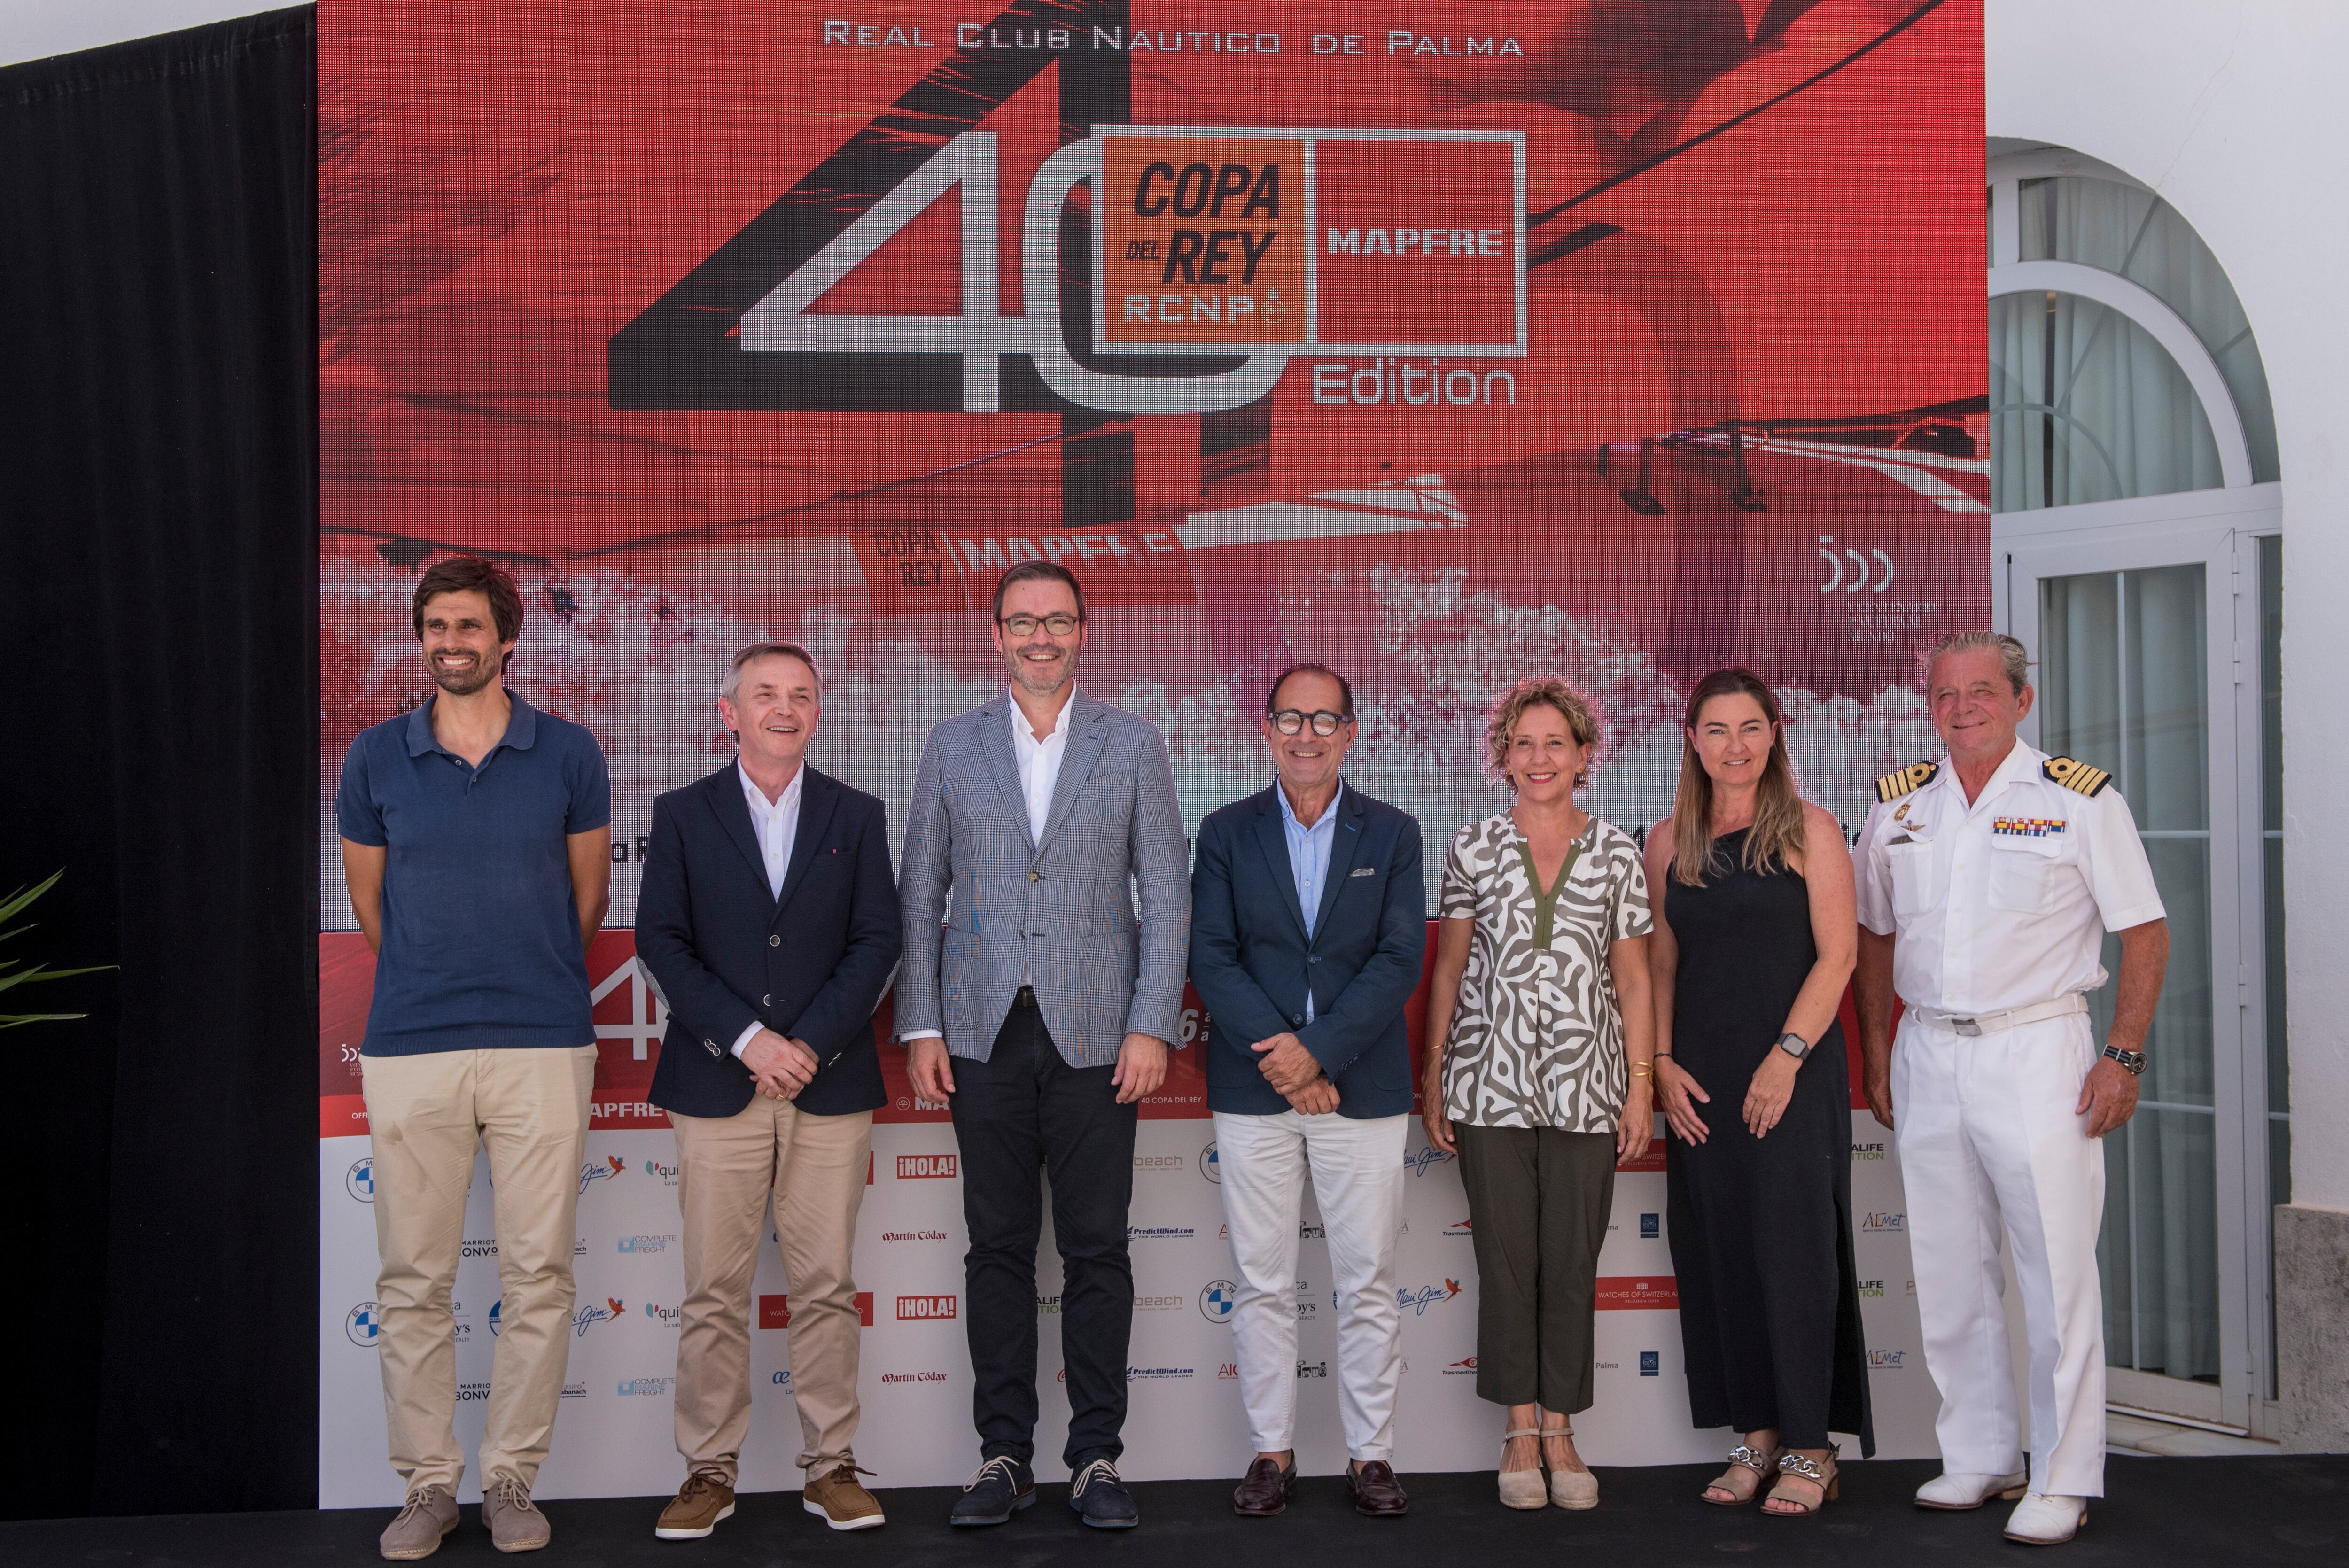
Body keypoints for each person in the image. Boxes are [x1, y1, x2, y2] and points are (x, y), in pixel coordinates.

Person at [1853, 631, 2168, 1547]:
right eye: (1945, 694)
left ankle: (2063, 1474)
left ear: (2020, 701)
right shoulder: (1900, 808)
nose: (1962, 708)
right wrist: (1876, 1046)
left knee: (2054, 1272)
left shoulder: (2078, 801)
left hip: (2038, 1050)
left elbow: (2142, 931)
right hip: (1928, 1052)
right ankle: (1981, 1454)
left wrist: (2125, 1054)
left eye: (1982, 691)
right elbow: (1877, 932)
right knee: (1951, 1266)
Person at [896, 560, 1191, 1531]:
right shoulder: (951, 743)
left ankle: (1096, 1456)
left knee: (1099, 1248)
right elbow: (919, 893)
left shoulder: (1132, 742)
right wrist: (925, 1022)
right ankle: (1003, 1455)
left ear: (1082, 631)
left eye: (1057, 621)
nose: (1039, 636)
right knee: (999, 1249)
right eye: (1022, 621)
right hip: (979, 1033)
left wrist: (1151, 1022)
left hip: (1100, 1035)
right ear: (995, 634)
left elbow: (1166, 893)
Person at [335, 555, 612, 1560]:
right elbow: (373, 907)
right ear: (423, 638)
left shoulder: (570, 751)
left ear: (506, 639)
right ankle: (426, 1484)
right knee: (415, 1277)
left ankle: (508, 1478)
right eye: (435, 626)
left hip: (543, 1039)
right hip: (412, 1042)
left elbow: (587, 902)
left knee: (538, 1272)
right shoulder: (374, 757)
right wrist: (435, 972)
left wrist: (525, 974)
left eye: (468, 626)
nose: (450, 643)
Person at [634, 643, 902, 1541]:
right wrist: (750, 1040)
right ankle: (708, 1470)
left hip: (829, 1083)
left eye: (800, 695)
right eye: (765, 694)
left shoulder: (857, 815)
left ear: (817, 712)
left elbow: (878, 940)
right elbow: (661, 940)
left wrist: (807, 1046)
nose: (784, 708)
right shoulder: (681, 813)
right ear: (730, 712)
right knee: (714, 1286)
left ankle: (831, 1466)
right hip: (718, 1079)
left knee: (826, 1284)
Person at [1189, 663, 1427, 1520]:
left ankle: (1372, 1456)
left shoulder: (1394, 832)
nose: (1307, 734)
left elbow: (1401, 958)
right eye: (1291, 717)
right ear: (1266, 729)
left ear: (1352, 732)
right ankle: (1272, 1452)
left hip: (1360, 1088)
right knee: (1261, 1280)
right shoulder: (1222, 831)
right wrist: (1286, 1062)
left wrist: (1319, 1056)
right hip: (1254, 1093)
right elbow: (1211, 955)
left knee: (1367, 1278)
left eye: (1325, 719)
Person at [1642, 668, 1873, 1518]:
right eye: (1716, 729)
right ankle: (1756, 1436)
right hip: (1700, 1080)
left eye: (1749, 727)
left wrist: (1786, 1057)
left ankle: (1813, 1445)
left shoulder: (1811, 830)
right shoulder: (1668, 840)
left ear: (1775, 732)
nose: (1733, 745)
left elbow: (1839, 956)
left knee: (1795, 1252)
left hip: (1792, 1074)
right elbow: (1662, 960)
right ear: (1692, 740)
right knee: (1722, 1254)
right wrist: (1661, 1064)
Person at [1421, 676, 1656, 1513]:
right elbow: (1449, 967)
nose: (1539, 757)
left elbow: (1632, 978)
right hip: (1488, 1085)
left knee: (1572, 1264)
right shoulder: (1473, 847)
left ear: (1585, 755)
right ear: (1503, 757)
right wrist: (1435, 1070)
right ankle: (1519, 1429)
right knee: (1507, 1263)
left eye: (1556, 742)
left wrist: (1639, 1087)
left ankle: (1563, 1428)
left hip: (1590, 1089)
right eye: (1524, 742)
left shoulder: (1618, 853)